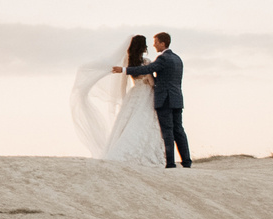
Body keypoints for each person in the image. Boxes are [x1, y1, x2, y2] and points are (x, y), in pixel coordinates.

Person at [70, 35, 168, 169]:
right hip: (146, 94)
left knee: (130, 123)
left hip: (134, 94)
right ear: (142, 47)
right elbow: (151, 82)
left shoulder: (128, 63)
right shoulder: (146, 62)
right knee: (145, 122)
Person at [118, 31, 189, 168]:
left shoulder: (163, 59)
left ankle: (170, 163)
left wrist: (123, 70)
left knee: (168, 130)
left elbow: (148, 69)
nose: (154, 45)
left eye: (156, 42)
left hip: (165, 99)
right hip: (177, 99)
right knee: (179, 130)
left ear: (163, 43)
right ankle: (186, 161)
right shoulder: (177, 58)